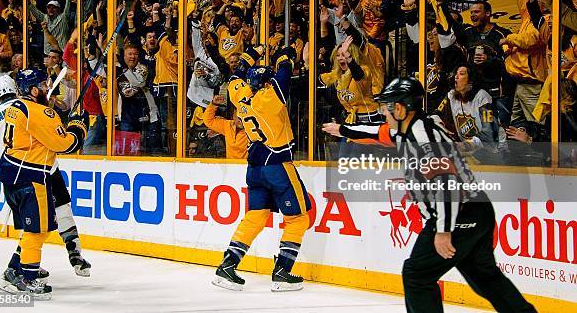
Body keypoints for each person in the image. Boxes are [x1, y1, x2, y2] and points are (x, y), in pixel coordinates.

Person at [322, 77, 535, 312]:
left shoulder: (424, 139)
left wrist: (444, 231)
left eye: (387, 108)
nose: (384, 113)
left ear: (401, 109)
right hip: (475, 211)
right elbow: (375, 133)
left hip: (459, 214)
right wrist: (341, 129)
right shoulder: (405, 130)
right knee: (486, 278)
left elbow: (447, 185)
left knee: (417, 275)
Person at [0, 75, 92, 288]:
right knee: (46, 221)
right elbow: (60, 141)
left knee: (39, 225)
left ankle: (20, 266)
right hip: (39, 171)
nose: (47, 87)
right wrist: (77, 127)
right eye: (44, 85)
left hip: (13, 173)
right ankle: (61, 257)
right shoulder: (36, 110)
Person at [212, 45, 310, 292]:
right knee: (298, 218)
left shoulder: (240, 96)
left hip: (254, 165)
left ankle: (228, 265)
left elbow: (235, 76)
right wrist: (284, 56)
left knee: (256, 215)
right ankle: (282, 271)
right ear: (266, 84)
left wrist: (252, 53)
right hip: (277, 164)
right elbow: (285, 75)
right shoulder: (269, 100)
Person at [203, 95, 248, 159]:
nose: (240, 120)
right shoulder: (227, 125)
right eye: (237, 116)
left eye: (242, 116)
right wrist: (213, 104)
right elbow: (208, 121)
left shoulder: (252, 129)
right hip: (229, 165)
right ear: (233, 116)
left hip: (246, 166)